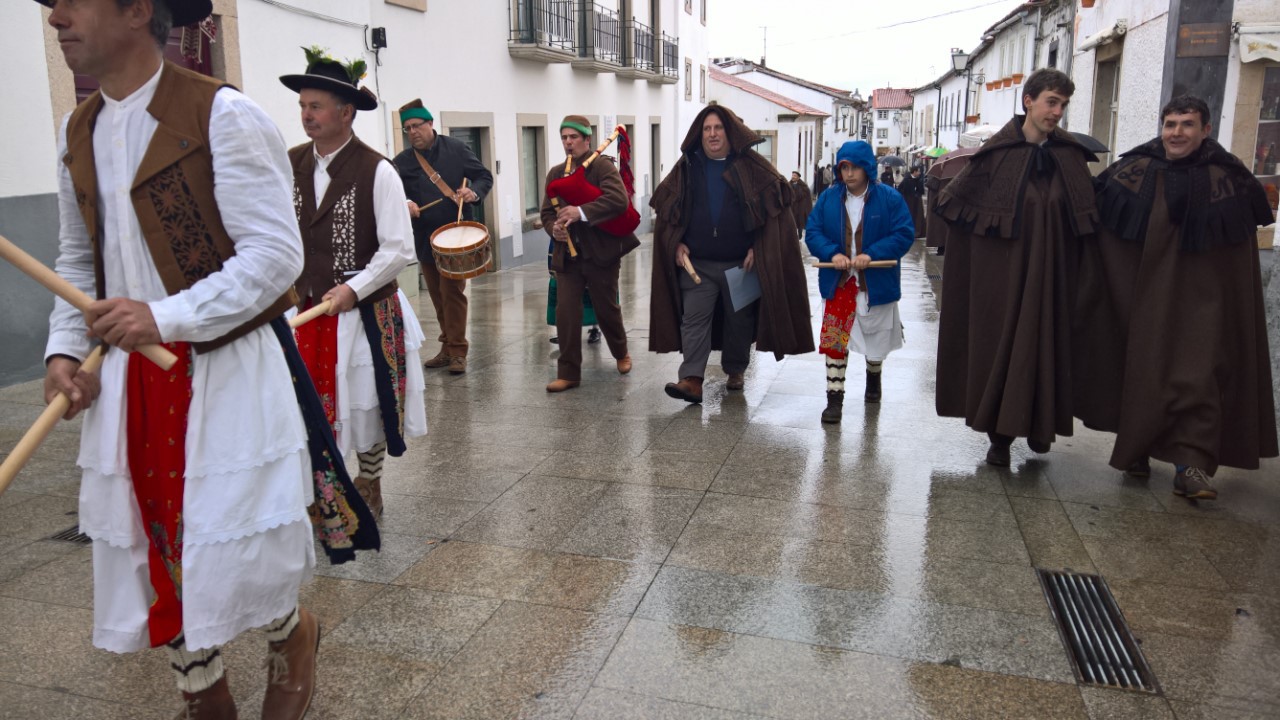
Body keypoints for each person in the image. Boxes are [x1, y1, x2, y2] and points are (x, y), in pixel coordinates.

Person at [38, 1, 327, 716]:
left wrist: (164, 315)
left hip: (222, 366)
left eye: (72, 0)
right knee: (152, 537)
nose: (56, 19)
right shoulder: (80, 127)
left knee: (235, 542)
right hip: (130, 375)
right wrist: (66, 348)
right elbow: (80, 259)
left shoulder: (221, 115)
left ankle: (292, 634)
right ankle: (202, 690)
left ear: (138, 9)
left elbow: (275, 256)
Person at [1074, 95, 1277, 500]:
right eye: (1170, 124)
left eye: (1187, 124)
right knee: (1141, 372)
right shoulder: (1133, 171)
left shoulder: (1230, 180)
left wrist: (1225, 307)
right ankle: (1138, 451)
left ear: (1205, 130)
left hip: (1204, 308)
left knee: (1200, 376)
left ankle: (1192, 467)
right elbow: (1098, 226)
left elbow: (1238, 261)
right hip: (1144, 300)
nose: (1176, 133)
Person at [281, 48, 428, 519]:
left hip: (362, 310)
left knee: (365, 403)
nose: (306, 115)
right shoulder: (291, 163)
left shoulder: (377, 169)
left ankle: (369, 481)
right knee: (305, 402)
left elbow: (398, 249)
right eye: (302, 106)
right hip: (303, 307)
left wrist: (353, 289)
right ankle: (316, 488)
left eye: (316, 106)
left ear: (345, 113)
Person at [934, 68, 1100, 467]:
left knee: (1047, 345)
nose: (1057, 112)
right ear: (1028, 100)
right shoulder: (995, 156)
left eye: (1063, 104)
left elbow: (1088, 218)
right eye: (1051, 102)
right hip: (1005, 277)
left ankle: (1042, 428)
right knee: (1004, 348)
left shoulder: (1070, 156)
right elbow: (955, 209)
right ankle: (1000, 437)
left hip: (1054, 276)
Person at [650, 104, 814, 403]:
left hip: (741, 265)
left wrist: (759, 247)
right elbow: (668, 211)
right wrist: (676, 243)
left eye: (718, 128)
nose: (712, 134)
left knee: (740, 322)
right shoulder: (687, 168)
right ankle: (692, 379)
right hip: (696, 264)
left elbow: (775, 212)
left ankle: (735, 369)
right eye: (707, 129)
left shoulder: (753, 168)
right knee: (694, 319)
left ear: (730, 133)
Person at [806, 141, 914, 422]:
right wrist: (833, 253)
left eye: (854, 167)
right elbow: (813, 231)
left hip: (876, 282)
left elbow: (904, 233)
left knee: (875, 340)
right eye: (844, 167)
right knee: (835, 339)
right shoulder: (829, 199)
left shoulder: (889, 199)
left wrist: (872, 254)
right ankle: (834, 398)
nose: (849, 173)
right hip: (839, 281)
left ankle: (874, 376)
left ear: (866, 168)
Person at [392, 99, 493, 375]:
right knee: (437, 296)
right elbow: (393, 194)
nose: (412, 132)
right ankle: (447, 346)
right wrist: (406, 204)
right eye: (407, 128)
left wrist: (473, 192)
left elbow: (484, 176)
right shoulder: (401, 162)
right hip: (425, 237)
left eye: (416, 126)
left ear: (430, 124)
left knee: (452, 293)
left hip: (456, 236)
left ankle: (458, 350)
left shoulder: (456, 149)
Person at [540, 116, 639, 392]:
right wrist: (554, 229)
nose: (568, 142)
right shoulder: (556, 173)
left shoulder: (603, 167)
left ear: (587, 140)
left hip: (601, 253)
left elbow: (618, 200)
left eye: (574, 137)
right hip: (567, 257)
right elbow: (547, 212)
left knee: (607, 309)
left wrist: (580, 212)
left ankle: (621, 353)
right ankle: (569, 372)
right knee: (566, 314)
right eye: (564, 137)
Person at [898, 165, 926, 238]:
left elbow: (921, 190)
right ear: (914, 172)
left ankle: (918, 232)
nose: (919, 173)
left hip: (917, 200)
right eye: (918, 171)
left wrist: (918, 193)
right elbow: (900, 189)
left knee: (918, 216)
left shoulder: (919, 179)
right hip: (908, 201)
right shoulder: (906, 179)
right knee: (909, 215)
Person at [788, 170, 814, 238]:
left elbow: (805, 195)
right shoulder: (789, 184)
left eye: (794, 176)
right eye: (792, 175)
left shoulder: (803, 186)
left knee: (800, 221)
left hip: (800, 207)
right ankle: (792, 234)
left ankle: (799, 234)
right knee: (791, 220)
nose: (793, 177)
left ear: (798, 177)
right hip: (792, 206)